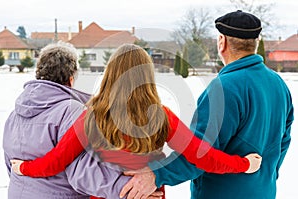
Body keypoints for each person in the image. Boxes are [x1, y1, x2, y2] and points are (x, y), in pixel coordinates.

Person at [11, 43, 261, 199]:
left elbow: (56, 162)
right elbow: (203, 157)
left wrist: (23, 168)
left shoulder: (93, 116)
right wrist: (243, 164)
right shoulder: (161, 116)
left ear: (110, 74)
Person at [119, 10, 294, 199]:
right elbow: (283, 141)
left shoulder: (225, 88)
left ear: (222, 42)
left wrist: (156, 174)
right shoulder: (279, 84)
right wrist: (265, 176)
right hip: (263, 192)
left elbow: (198, 152)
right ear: (256, 42)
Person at [3, 41, 135, 199]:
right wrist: (129, 190)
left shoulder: (14, 114)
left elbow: (10, 164)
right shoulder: (71, 111)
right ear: (71, 78)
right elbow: (84, 172)